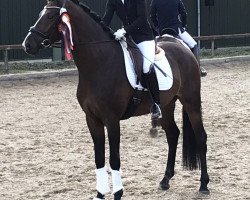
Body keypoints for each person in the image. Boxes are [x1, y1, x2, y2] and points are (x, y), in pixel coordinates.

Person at [102, 0, 162, 119]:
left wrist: (125, 30)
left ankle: (156, 104)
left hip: (144, 37)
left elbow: (142, 19)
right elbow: (106, 20)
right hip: (128, 38)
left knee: (146, 67)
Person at [150, 0, 207, 77]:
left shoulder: (155, 1)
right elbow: (183, 14)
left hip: (161, 30)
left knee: (151, 48)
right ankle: (197, 69)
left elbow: (152, 17)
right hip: (176, 29)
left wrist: (158, 27)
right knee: (194, 44)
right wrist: (183, 26)